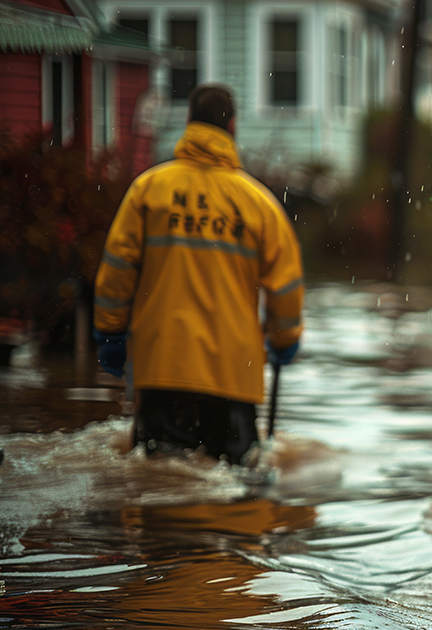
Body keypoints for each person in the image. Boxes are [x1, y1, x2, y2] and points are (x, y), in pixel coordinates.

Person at [92, 84, 305, 465]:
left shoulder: (149, 189)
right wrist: (284, 338)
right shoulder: (260, 205)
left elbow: (117, 268)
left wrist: (110, 331)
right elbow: (286, 287)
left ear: (189, 122)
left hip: (162, 367)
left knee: (157, 483)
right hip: (233, 375)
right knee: (232, 491)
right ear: (233, 126)